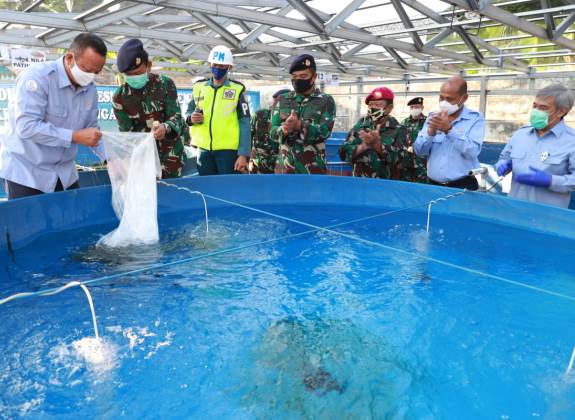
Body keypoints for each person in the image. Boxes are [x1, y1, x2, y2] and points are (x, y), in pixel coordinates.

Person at [0, 33, 106, 200]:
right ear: (70, 58)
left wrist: (110, 159)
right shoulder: (37, 77)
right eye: (86, 70)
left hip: (64, 174)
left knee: (72, 221)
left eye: (96, 72)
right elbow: (27, 127)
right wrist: (75, 136)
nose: (90, 76)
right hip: (28, 172)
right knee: (31, 224)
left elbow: (93, 130)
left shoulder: (90, 90)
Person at [112, 39, 189, 179]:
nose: (133, 78)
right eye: (129, 75)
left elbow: (177, 117)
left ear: (149, 66)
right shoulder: (120, 98)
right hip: (143, 162)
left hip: (171, 159)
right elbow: (126, 135)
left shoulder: (165, 85)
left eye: (137, 73)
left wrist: (165, 128)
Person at [495, 84, 575, 208]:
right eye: (535, 106)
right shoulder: (520, 134)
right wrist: (502, 164)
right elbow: (504, 157)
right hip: (514, 208)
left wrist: (550, 181)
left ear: (561, 111)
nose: (536, 111)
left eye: (543, 108)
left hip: (547, 216)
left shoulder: (571, 141)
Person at [185, 45, 250, 175]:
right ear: (210, 64)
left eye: (222, 66)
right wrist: (191, 118)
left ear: (229, 67)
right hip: (203, 151)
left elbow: (245, 123)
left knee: (228, 189)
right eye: (215, 65)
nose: (218, 69)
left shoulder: (237, 89)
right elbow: (188, 112)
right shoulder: (199, 87)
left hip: (228, 152)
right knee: (207, 188)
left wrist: (243, 154)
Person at [414, 76, 485, 190]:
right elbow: (419, 151)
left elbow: (472, 151)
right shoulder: (433, 116)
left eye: (450, 99)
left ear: (464, 98)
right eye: (441, 98)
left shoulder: (475, 119)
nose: (444, 103)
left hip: (462, 186)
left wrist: (449, 130)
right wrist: (430, 132)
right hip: (433, 185)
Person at [270, 54, 336, 174]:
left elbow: (325, 132)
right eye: (295, 76)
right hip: (285, 168)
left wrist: (300, 126)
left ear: (314, 77)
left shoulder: (326, 100)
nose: (298, 80)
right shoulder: (282, 99)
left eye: (303, 76)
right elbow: (272, 132)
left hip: (312, 169)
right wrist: (284, 129)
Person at [338, 87, 408, 179]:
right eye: (370, 104)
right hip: (360, 183)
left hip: (386, 185)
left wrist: (377, 145)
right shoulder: (360, 126)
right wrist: (362, 147)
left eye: (377, 104)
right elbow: (343, 152)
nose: (373, 108)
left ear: (389, 108)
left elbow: (401, 159)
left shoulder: (399, 130)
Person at [249, 88, 290, 174]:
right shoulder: (260, 115)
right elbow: (249, 136)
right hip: (258, 165)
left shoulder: (290, 121)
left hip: (281, 166)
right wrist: (247, 158)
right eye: (276, 102)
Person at [401, 97, 428, 183]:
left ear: (422, 107)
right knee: (405, 185)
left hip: (422, 162)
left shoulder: (428, 122)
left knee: (422, 186)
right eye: (412, 107)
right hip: (406, 161)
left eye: (416, 107)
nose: (414, 109)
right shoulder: (404, 122)